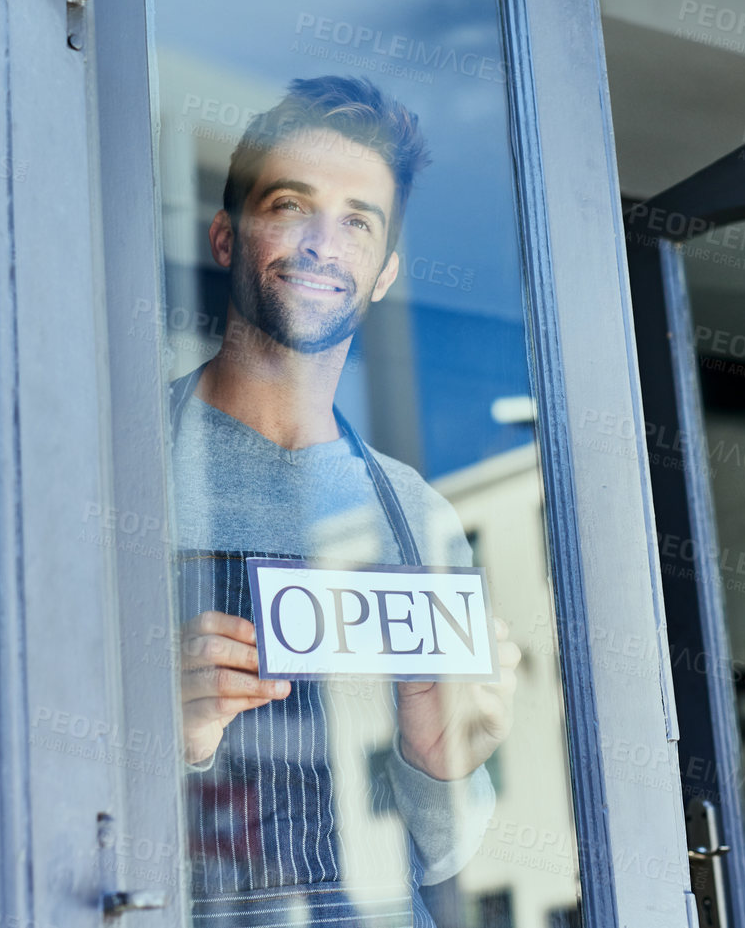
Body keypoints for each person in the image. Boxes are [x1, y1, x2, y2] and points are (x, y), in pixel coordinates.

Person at [168, 76, 520, 927]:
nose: (325, 243)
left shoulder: (416, 515)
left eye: (358, 220)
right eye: (291, 205)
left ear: (385, 271)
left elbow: (445, 852)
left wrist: (441, 757)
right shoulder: (114, 471)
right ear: (225, 235)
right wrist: (158, 732)